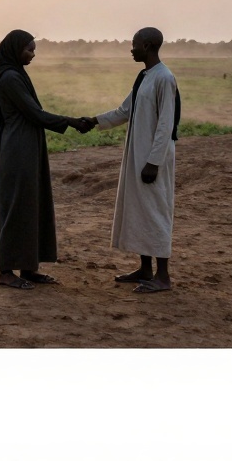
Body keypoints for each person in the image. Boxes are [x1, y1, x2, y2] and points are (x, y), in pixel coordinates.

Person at [0, 30, 93, 289]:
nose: (33, 54)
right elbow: (35, 114)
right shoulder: (10, 77)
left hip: (27, 146)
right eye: (29, 50)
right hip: (18, 149)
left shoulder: (15, 73)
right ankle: (6, 271)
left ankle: (28, 267)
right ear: (15, 49)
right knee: (15, 208)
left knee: (31, 206)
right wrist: (71, 121)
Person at [81, 27, 180, 293]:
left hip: (152, 159)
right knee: (141, 211)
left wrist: (154, 162)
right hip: (139, 156)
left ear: (147, 45)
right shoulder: (145, 77)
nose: (131, 48)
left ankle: (163, 277)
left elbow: (165, 125)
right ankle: (145, 269)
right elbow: (125, 110)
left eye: (134, 44)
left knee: (156, 213)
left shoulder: (164, 78)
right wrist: (93, 121)